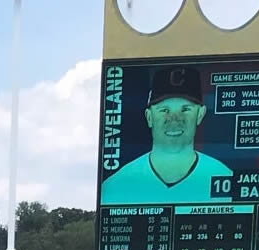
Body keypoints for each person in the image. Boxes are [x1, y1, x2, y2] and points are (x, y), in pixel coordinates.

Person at [99, 64, 235, 205]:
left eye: (185, 109)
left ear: (200, 114)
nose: (174, 119)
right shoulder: (115, 186)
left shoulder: (226, 180)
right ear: (149, 117)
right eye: (164, 110)